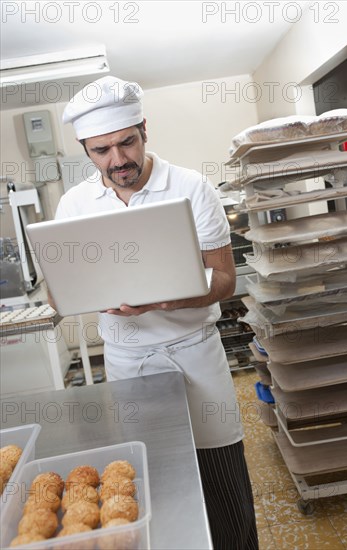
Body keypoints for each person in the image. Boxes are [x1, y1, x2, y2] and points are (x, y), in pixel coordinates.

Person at [57, 76, 258, 549]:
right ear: (85, 149)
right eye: (101, 150)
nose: (118, 160)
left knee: (221, 475)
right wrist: (77, 292)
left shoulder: (191, 187)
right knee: (153, 478)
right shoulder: (74, 204)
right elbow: (58, 294)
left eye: (126, 143)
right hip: (127, 359)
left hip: (195, 354)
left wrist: (174, 297)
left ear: (144, 129)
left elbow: (225, 280)